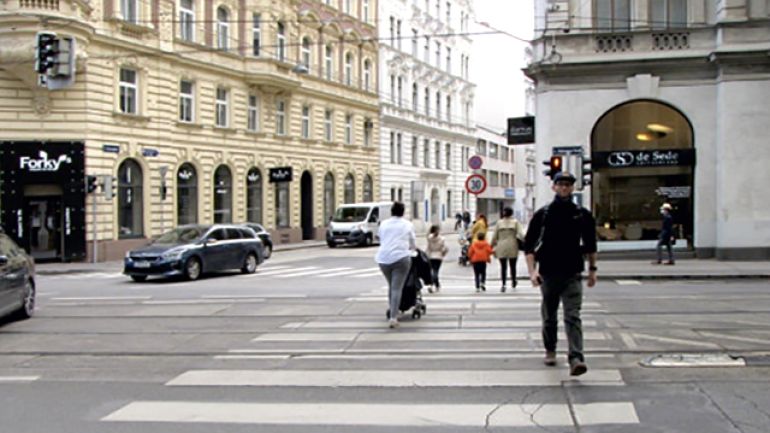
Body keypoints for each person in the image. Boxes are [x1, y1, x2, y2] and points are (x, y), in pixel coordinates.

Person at [524, 172, 597, 377]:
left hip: (572, 272)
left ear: (573, 188)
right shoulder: (544, 214)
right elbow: (529, 246)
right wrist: (532, 272)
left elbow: (591, 244)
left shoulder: (581, 214)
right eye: (561, 184)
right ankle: (550, 349)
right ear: (554, 187)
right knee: (549, 316)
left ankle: (576, 358)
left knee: (573, 316)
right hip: (548, 273)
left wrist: (592, 270)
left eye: (568, 185)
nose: (564, 188)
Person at [375, 201, 417, 329]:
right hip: (401, 258)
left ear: (391, 211)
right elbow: (412, 241)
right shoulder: (407, 224)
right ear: (403, 212)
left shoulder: (384, 224)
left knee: (391, 286)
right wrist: (413, 250)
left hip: (383, 258)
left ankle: (393, 311)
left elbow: (380, 238)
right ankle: (393, 317)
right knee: (397, 288)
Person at [491, 206, 525, 292]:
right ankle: (513, 281)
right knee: (513, 266)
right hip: (513, 245)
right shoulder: (516, 222)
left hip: (501, 246)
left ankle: (503, 284)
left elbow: (494, 236)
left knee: (503, 267)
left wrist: (490, 246)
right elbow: (521, 234)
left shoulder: (499, 223)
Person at [425, 224, 448, 293]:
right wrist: (444, 253)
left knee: (431, 271)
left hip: (430, 256)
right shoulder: (442, 239)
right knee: (435, 271)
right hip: (438, 256)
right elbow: (444, 248)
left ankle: (432, 285)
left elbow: (428, 247)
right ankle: (436, 285)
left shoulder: (429, 238)